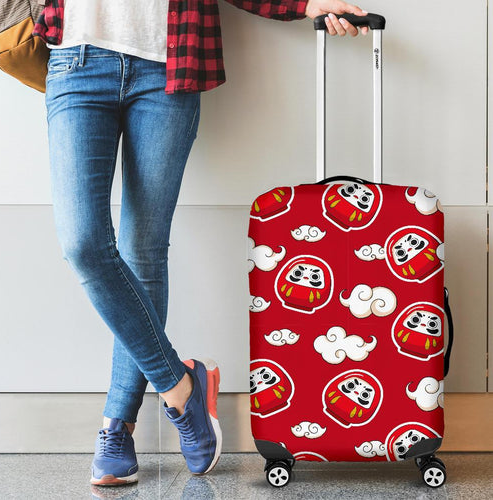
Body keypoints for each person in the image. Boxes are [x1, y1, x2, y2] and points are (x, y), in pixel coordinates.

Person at [33, 0, 367, 487]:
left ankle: (117, 427)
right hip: (76, 61)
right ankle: (180, 384)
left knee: (143, 251)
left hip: (168, 66)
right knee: (83, 244)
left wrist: (305, 4)